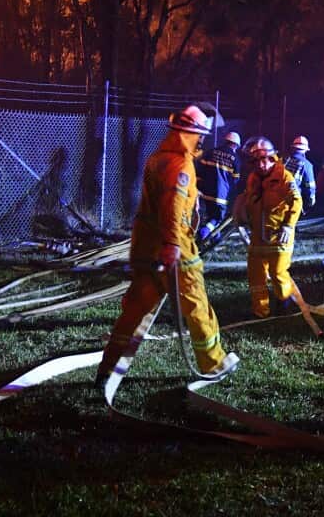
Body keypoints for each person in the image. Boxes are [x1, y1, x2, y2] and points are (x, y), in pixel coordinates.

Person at [96, 103, 232, 380]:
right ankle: (213, 364)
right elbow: (172, 207)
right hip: (175, 249)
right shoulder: (181, 165)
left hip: (147, 248)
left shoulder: (158, 157)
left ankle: (107, 368)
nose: (202, 140)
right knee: (196, 305)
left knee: (134, 310)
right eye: (201, 135)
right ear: (193, 134)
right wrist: (172, 245)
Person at [233, 137, 303, 318]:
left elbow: (296, 201)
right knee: (256, 276)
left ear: (273, 158)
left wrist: (288, 226)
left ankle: (284, 304)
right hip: (257, 236)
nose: (261, 165)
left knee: (278, 273)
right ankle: (260, 312)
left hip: (279, 236)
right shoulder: (253, 179)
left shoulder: (284, 177)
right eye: (257, 162)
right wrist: (241, 212)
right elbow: (249, 199)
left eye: (265, 160)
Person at [197, 131, 242, 237]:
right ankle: (204, 232)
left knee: (210, 215)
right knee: (217, 218)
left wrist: (199, 186)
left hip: (205, 191)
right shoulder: (235, 159)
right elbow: (235, 179)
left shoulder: (210, 152)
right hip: (221, 194)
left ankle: (214, 237)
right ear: (235, 145)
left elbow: (200, 170)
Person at [283, 135, 316, 216]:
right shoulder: (306, 164)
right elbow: (310, 186)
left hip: (278, 197)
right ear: (305, 150)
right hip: (293, 199)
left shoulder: (284, 160)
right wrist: (311, 201)